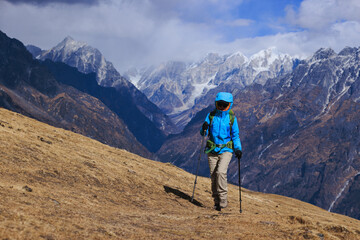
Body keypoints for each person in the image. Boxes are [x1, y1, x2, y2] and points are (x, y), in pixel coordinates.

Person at [200, 92, 242, 211]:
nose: (222, 107)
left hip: (226, 150)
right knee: (214, 176)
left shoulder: (232, 118)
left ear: (229, 105)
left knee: (220, 173)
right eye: (220, 104)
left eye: (224, 105)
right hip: (212, 150)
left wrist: (238, 149)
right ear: (216, 103)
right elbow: (204, 134)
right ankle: (216, 202)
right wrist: (203, 128)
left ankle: (223, 203)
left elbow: (235, 136)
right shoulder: (211, 116)